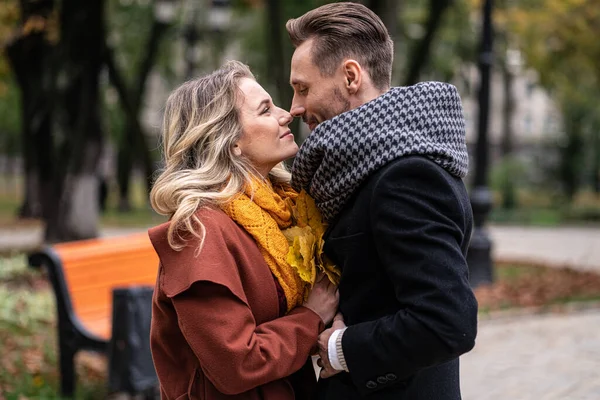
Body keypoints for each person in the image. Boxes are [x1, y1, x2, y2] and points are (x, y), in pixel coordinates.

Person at [285, 2, 478, 399]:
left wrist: (340, 349)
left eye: (303, 88)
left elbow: (447, 321)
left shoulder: (405, 176)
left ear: (351, 76)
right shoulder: (365, 169)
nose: (295, 108)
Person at [147, 60, 339, 400]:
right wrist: (312, 318)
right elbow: (237, 364)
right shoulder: (199, 232)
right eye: (265, 110)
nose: (285, 114)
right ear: (230, 141)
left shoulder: (285, 211)